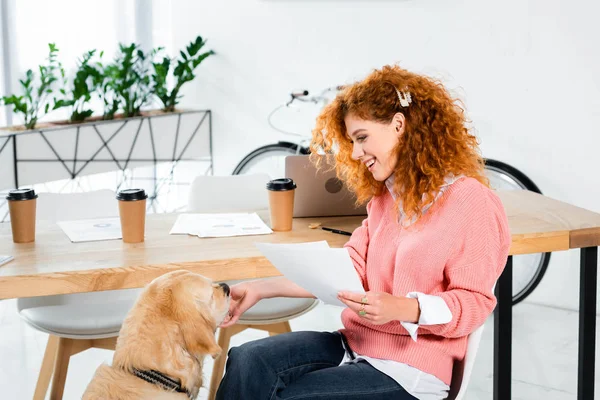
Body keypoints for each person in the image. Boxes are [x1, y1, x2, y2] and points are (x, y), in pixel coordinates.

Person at [216, 64, 511, 400]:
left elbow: (473, 304)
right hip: (356, 344)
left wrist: (403, 308)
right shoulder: (386, 198)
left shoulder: (472, 201)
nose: (355, 153)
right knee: (248, 359)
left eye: (362, 138)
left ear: (399, 126)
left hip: (412, 370)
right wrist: (260, 289)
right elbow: (347, 271)